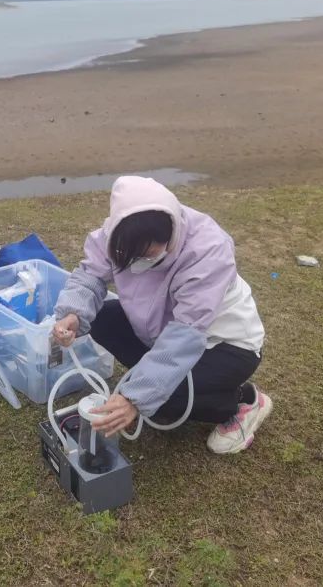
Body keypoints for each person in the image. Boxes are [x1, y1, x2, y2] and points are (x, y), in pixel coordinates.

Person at [51, 176, 270, 454]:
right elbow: (89, 276)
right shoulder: (116, 234)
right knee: (102, 318)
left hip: (223, 345)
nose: (139, 261)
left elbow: (186, 333)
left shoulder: (207, 251)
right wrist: (72, 314)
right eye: (130, 254)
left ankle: (243, 402)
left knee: (160, 402)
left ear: (171, 234)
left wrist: (136, 397)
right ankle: (159, 380)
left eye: (149, 252)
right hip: (160, 329)